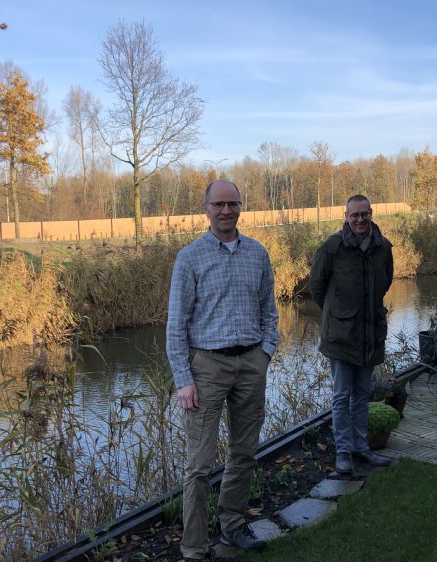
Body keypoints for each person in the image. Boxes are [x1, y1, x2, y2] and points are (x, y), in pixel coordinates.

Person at [166, 179, 279, 561]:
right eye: (219, 204)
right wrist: (183, 380)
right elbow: (176, 325)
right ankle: (195, 547)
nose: (226, 210)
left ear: (240, 207)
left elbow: (269, 311)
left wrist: (264, 354)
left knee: (244, 453)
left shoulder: (258, 254)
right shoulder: (190, 258)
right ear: (207, 209)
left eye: (232, 203)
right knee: (199, 466)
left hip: (250, 363)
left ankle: (232, 524)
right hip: (207, 368)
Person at [310, 194, 394, 475]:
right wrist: (338, 314)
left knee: (362, 394)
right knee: (341, 396)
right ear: (345, 216)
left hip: (370, 333)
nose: (359, 219)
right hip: (340, 337)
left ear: (371, 213)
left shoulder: (383, 247)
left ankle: (361, 447)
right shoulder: (332, 248)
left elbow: (384, 282)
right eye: (354, 215)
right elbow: (317, 288)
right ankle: (343, 453)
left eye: (364, 214)